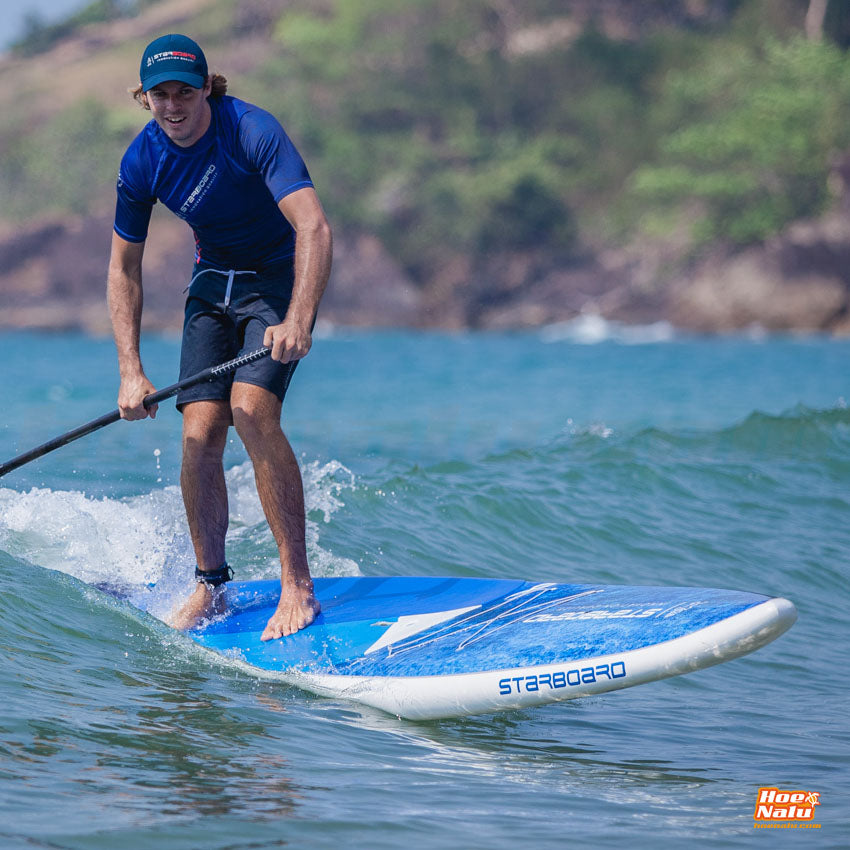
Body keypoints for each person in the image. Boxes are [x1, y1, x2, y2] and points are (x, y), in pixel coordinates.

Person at [107, 34, 332, 639]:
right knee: (200, 430)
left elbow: (313, 226)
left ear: (208, 87)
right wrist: (130, 369)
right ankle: (211, 584)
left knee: (251, 410)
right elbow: (123, 267)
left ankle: (298, 586)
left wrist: (299, 319)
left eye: (185, 91)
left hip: (275, 277)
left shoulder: (251, 130)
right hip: (212, 285)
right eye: (160, 95)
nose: (173, 106)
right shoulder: (141, 161)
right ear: (144, 97)